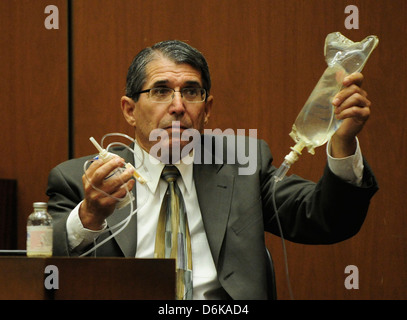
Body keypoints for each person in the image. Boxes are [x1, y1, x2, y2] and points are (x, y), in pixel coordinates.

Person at [46, 40, 378, 300]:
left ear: (207, 109)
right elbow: (45, 273)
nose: (178, 107)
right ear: (130, 110)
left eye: (191, 92)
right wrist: (89, 214)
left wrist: (343, 142)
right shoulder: (80, 180)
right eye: (161, 91)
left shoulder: (241, 166)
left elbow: (325, 219)